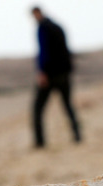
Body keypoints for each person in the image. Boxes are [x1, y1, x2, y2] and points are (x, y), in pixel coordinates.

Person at [31, 6, 81, 148]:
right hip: (64, 73)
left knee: (38, 108)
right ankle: (77, 136)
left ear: (38, 13)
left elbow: (44, 52)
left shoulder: (43, 28)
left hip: (50, 75)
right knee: (68, 106)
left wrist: (42, 72)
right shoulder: (58, 27)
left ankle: (40, 142)